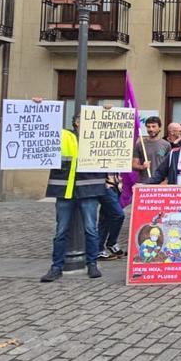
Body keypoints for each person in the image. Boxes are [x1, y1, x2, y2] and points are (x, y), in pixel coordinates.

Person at [41, 113, 107, 282]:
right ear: (77, 123)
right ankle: (56, 266)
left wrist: (108, 112)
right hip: (65, 190)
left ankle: (92, 264)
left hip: (88, 190)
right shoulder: (64, 136)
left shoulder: (97, 138)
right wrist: (39, 106)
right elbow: (42, 129)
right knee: (61, 230)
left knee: (91, 229)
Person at [134, 115, 172, 184]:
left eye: (154, 126)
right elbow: (133, 165)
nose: (151, 129)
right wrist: (142, 167)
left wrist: (166, 180)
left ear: (159, 128)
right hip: (145, 182)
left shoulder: (166, 145)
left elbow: (169, 166)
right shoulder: (140, 144)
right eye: (148, 127)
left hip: (160, 183)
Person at [97, 172, 126, 260]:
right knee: (118, 215)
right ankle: (111, 243)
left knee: (106, 217)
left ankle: (99, 249)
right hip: (106, 184)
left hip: (115, 184)